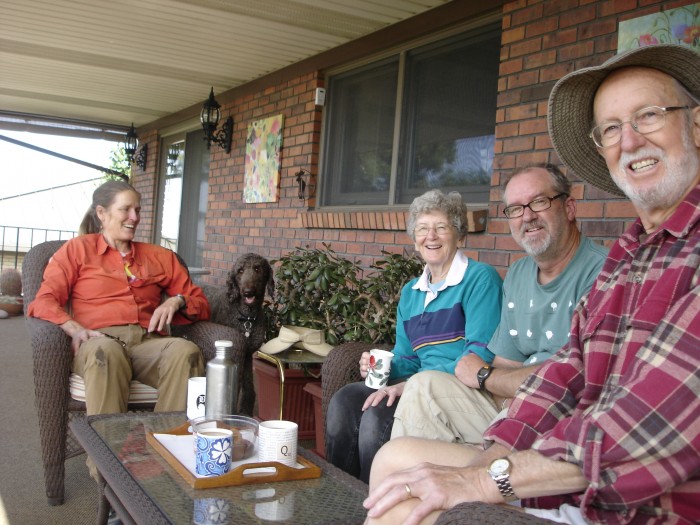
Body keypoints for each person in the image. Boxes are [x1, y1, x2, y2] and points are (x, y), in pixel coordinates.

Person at [363, 43, 700, 525]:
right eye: (611, 128)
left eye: (648, 116)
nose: (628, 141)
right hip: (572, 456)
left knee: (413, 496)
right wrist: (482, 464)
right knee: (398, 466)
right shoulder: (630, 257)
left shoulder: (648, 257)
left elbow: (647, 428)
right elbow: (565, 374)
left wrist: (482, 481)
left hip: (637, 502)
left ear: (696, 125)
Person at [391, 164, 607, 444]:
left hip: (564, 424)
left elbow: (576, 375)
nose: (527, 216)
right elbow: (504, 362)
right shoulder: (519, 274)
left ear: (569, 208)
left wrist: (485, 376)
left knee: (417, 395)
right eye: (515, 209)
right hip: (506, 406)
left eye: (539, 202)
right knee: (413, 396)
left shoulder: (605, 273)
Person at [325, 189, 503, 483]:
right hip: (415, 383)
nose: (430, 236)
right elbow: (407, 356)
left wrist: (406, 386)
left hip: (458, 391)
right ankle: (342, 495)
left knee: (375, 419)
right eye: (422, 229)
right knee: (345, 400)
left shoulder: (479, 279)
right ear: (414, 239)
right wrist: (383, 368)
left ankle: (379, 504)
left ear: (459, 237)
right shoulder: (411, 292)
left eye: (441, 227)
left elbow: (480, 354)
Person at [28, 180, 210, 417]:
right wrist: (74, 329)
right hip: (99, 340)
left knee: (185, 351)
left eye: (138, 210)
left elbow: (201, 303)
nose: (134, 217)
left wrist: (177, 300)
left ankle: (163, 445)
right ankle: (106, 452)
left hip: (149, 343)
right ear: (102, 213)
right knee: (107, 352)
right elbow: (43, 301)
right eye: (126, 209)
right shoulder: (77, 250)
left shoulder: (159, 256)